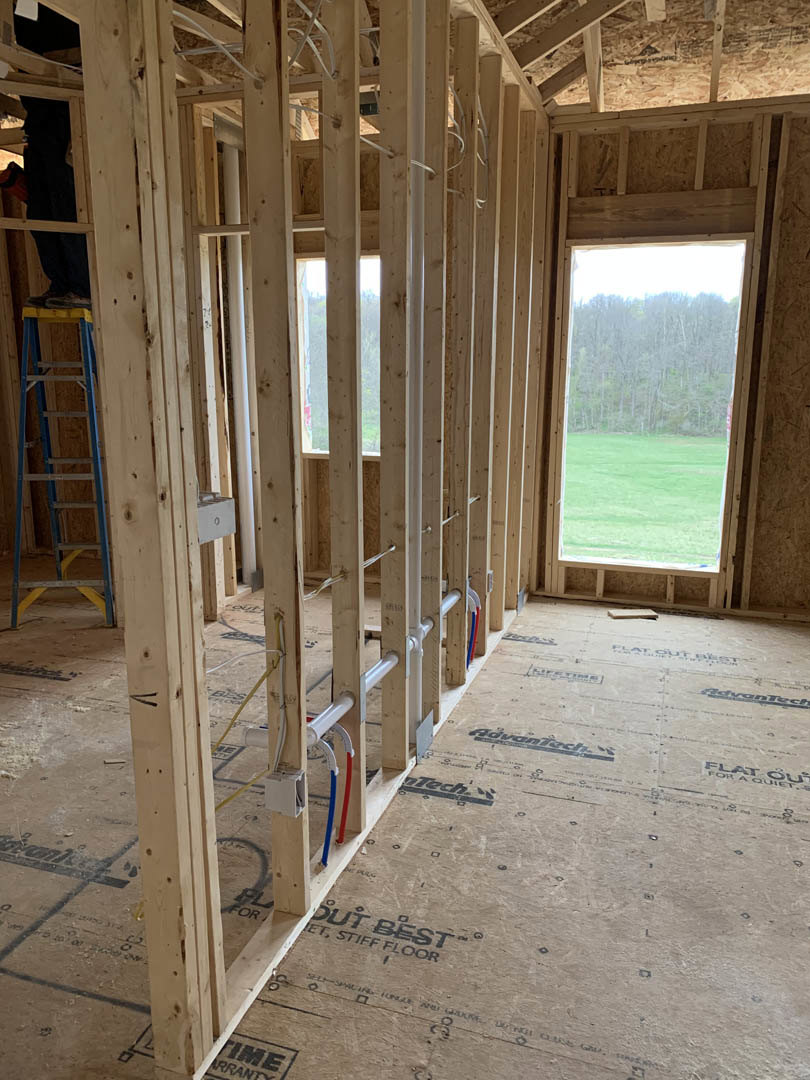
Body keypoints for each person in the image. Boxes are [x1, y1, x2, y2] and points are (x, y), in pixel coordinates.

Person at [6, 4, 91, 308]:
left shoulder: (63, 12)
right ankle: (61, 284)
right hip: (39, 118)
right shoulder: (19, 11)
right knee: (41, 212)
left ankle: (81, 286)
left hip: (64, 112)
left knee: (65, 204)